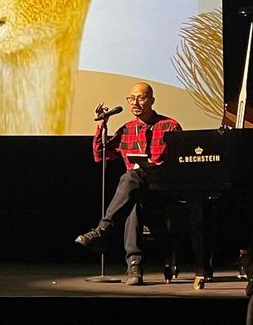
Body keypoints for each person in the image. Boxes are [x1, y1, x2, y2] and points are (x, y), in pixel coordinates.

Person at [75, 82, 182, 285]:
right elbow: (101, 155)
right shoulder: (127, 129)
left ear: (151, 100)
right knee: (133, 196)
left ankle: (103, 231)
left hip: (161, 190)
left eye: (140, 98)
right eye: (131, 99)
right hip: (136, 191)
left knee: (131, 176)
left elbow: (179, 162)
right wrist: (102, 125)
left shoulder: (169, 126)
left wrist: (154, 166)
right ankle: (134, 268)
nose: (135, 103)